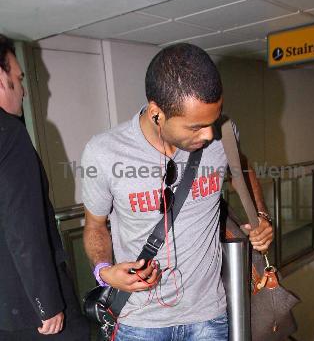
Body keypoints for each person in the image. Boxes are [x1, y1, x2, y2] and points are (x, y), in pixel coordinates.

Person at [81, 43, 273, 341]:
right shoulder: (104, 152)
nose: (209, 135)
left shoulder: (223, 133)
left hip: (208, 317)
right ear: (157, 113)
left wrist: (259, 215)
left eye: (214, 121)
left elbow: (241, 169)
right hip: (139, 322)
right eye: (196, 127)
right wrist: (104, 270)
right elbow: (94, 226)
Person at [0, 34, 90, 340]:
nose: (24, 89)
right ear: (1, 77)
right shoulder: (9, 134)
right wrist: (47, 303)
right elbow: (22, 225)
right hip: (33, 312)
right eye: (18, 77)